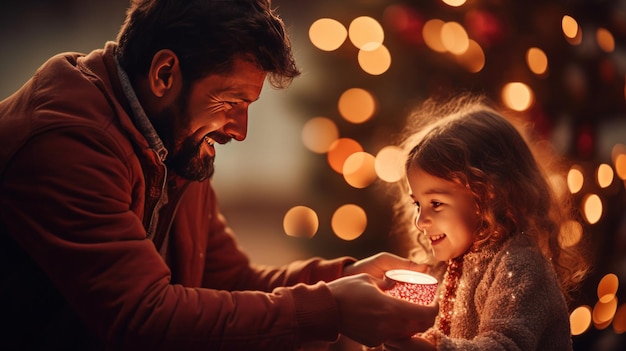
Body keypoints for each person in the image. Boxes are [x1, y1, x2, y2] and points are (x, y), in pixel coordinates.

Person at [0, 0, 438, 350]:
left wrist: (346, 277)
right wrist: (331, 309)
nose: (240, 131)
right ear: (164, 73)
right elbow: (142, 317)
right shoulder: (66, 140)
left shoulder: (173, 140)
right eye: (231, 102)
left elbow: (229, 281)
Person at [382, 95, 590, 350]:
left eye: (435, 203)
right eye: (418, 204)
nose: (420, 222)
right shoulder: (442, 268)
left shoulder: (520, 266)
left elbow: (504, 345)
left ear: (487, 193)